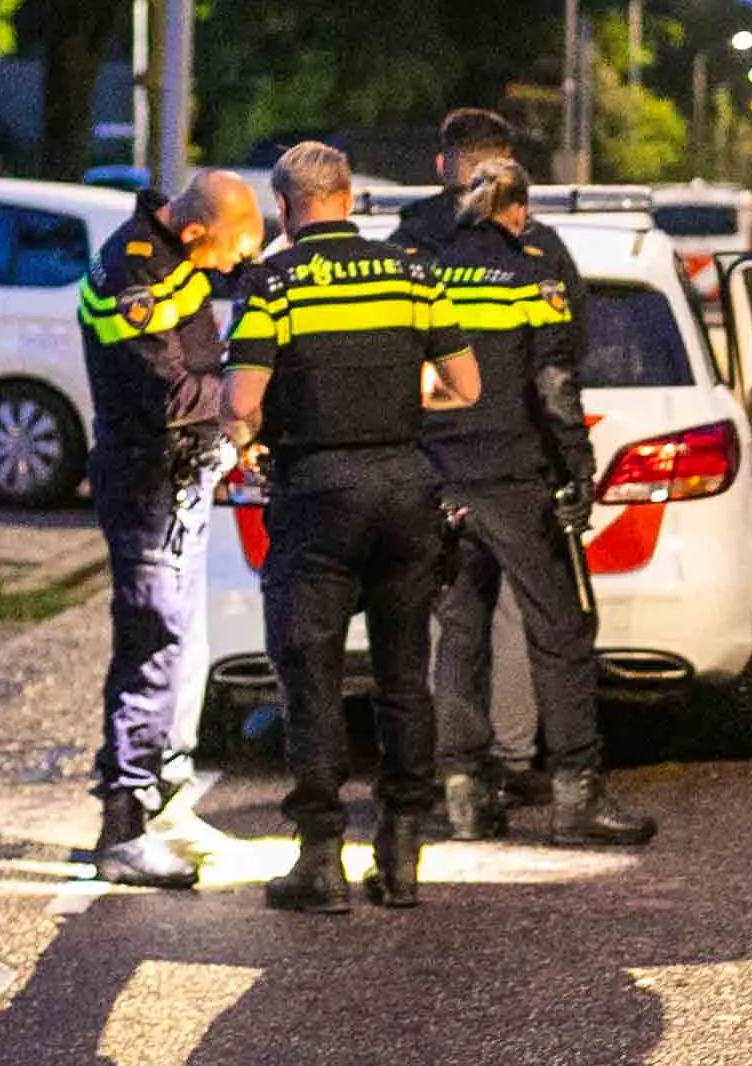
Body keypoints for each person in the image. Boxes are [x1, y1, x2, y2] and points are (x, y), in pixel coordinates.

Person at [227, 141, 480, 914]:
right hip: (406, 489)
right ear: (348, 198)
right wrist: (396, 412)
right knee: (405, 676)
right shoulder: (412, 272)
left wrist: (254, 438)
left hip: (317, 493)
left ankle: (321, 861)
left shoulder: (275, 283)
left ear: (284, 208)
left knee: (314, 678)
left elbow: (240, 404)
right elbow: (463, 387)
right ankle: (401, 855)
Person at [422, 156, 657, 848]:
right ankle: (576, 800)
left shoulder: (429, 272)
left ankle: (464, 797)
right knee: (562, 631)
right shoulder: (532, 272)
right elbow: (554, 383)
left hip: (442, 477)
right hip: (515, 478)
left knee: (459, 636)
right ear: (517, 211)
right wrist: (577, 467)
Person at [76, 169, 269, 889]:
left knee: (186, 643)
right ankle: (122, 830)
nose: (233, 267)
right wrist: (253, 394)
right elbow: (175, 393)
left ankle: (165, 804)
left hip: (178, 477)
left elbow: (202, 358)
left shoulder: (173, 252)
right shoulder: (136, 280)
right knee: (154, 640)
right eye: (229, 253)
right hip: (146, 481)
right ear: (193, 233)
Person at [396, 106, 580, 813]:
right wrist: (573, 464)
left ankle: (460, 777)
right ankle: (518, 758)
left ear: (447, 164)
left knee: (454, 623)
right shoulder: (539, 250)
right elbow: (563, 355)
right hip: (517, 461)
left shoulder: (412, 242)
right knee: (525, 621)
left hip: (435, 458)